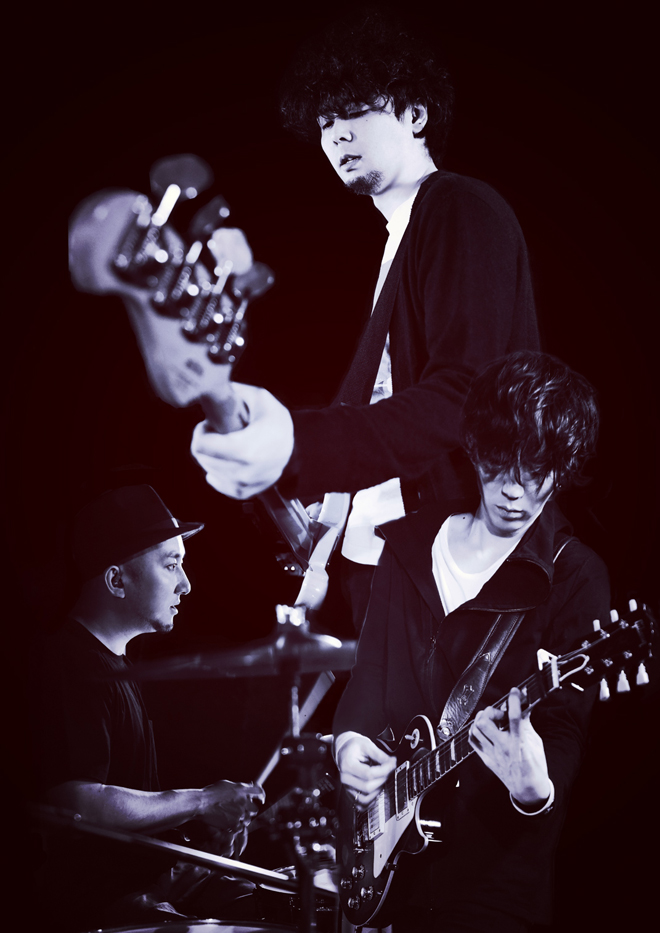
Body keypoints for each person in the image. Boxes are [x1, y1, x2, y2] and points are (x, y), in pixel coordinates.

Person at [190, 9, 540, 630]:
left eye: (354, 112)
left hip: (446, 558)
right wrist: (326, 525)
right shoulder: (398, 237)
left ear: (415, 115)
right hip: (375, 561)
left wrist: (298, 442)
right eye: (325, 123)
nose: (336, 137)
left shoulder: (458, 208)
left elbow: (466, 393)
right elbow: (380, 399)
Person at [332, 351, 610, 932]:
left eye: (536, 472)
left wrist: (535, 788)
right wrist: (349, 744)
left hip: (492, 884)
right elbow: (369, 676)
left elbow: (565, 727)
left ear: (562, 467)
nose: (514, 491)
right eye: (500, 465)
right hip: (391, 869)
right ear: (476, 449)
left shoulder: (573, 575)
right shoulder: (408, 546)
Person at [30, 484, 265, 932]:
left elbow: (125, 828)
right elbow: (77, 803)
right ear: (117, 581)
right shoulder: (69, 664)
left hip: (139, 894)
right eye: (171, 565)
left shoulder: (116, 667)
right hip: (89, 914)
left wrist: (200, 835)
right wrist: (200, 801)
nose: (186, 584)